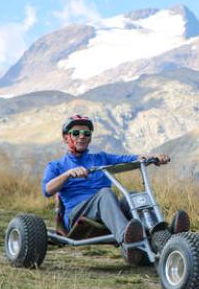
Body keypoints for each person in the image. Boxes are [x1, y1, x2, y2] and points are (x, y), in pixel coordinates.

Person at [42, 114, 175, 265]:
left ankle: (160, 233)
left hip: (106, 210)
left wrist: (152, 157)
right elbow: (47, 190)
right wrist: (67, 175)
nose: (82, 137)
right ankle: (126, 237)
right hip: (77, 215)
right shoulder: (56, 166)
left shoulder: (101, 158)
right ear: (66, 137)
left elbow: (130, 159)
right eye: (76, 133)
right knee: (105, 193)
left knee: (132, 196)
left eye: (86, 133)